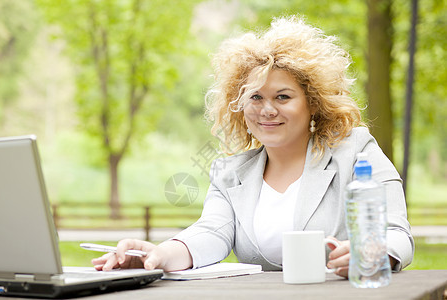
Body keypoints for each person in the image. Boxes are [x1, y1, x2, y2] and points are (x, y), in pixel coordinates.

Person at [92, 15, 414, 278]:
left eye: (283, 97)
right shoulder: (229, 171)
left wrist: (371, 252)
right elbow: (211, 233)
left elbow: (398, 233)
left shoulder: (356, 150)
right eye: (255, 97)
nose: (267, 110)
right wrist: (158, 255)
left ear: (313, 103)